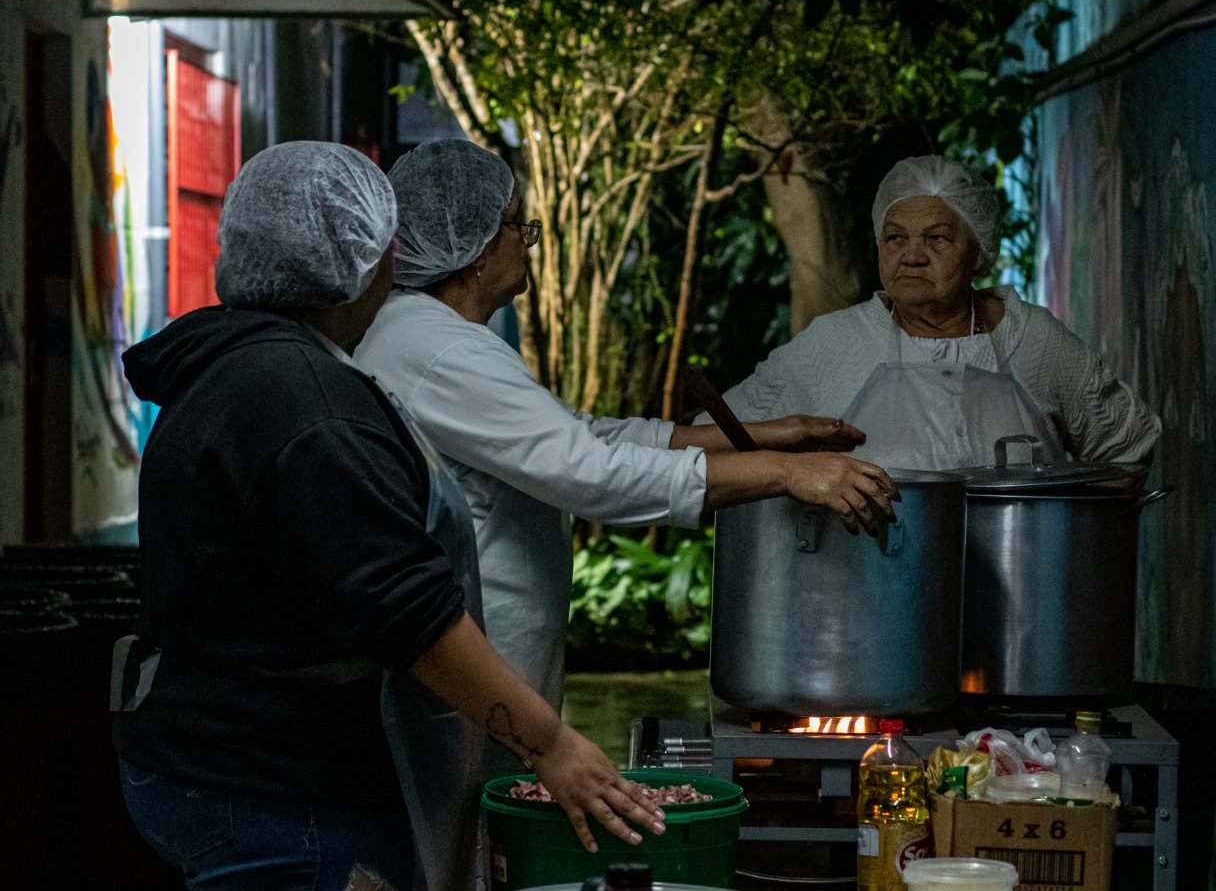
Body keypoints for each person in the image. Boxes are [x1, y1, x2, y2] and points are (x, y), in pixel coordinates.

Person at [112, 142, 662, 891]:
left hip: (216, 761)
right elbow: (405, 613)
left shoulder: (235, 368)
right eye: (386, 243)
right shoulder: (307, 405)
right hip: (278, 789)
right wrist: (551, 744)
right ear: (360, 262)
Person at [354, 139, 899, 718]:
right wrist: (788, 473)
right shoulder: (437, 350)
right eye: (519, 227)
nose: (528, 242)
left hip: (491, 678)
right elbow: (589, 472)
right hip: (466, 688)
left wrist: (768, 434)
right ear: (479, 250)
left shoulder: (436, 337)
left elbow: (581, 435)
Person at [712, 154, 1160, 470]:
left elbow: (1127, 446)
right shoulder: (833, 344)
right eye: (895, 238)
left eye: (937, 238)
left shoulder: (1033, 341)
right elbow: (724, 437)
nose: (912, 255)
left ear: (978, 254)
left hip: (1017, 585)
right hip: (871, 591)